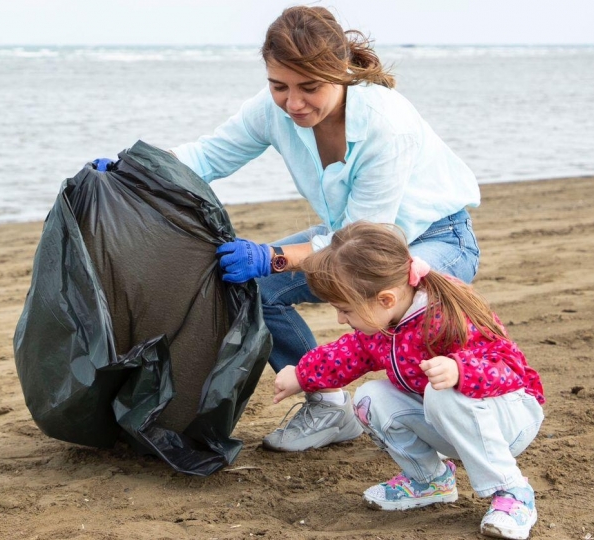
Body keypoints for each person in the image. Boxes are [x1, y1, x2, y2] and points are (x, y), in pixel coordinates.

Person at [167, 5, 482, 452]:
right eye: (279, 87)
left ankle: (446, 425)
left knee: (407, 316)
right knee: (255, 290)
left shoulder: (386, 124)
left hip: (433, 238)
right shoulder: (271, 110)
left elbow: (365, 242)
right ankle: (329, 406)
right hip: (347, 237)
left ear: (339, 72)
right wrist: (136, 168)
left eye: (309, 87)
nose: (293, 103)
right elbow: (206, 158)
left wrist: (270, 256)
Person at [272, 221, 545, 540]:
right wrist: (302, 375)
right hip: (453, 425)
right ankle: (429, 481)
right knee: (369, 397)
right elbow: (347, 353)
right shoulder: (385, 323)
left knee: (443, 393)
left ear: (386, 299)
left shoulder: (445, 315)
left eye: (345, 310)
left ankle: (513, 493)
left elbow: (510, 368)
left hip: (508, 420)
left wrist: (460, 369)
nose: (340, 320)